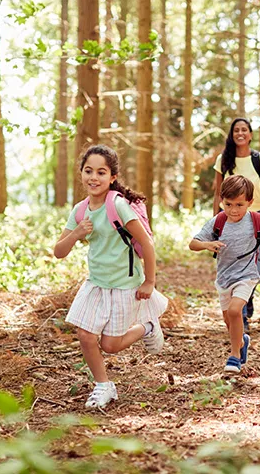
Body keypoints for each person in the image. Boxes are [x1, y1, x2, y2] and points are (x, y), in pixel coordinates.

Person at [54, 145, 167, 409]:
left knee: (111, 345)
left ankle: (148, 325)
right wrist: (77, 233)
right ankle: (103, 385)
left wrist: (149, 281)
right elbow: (59, 251)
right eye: (88, 171)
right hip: (95, 283)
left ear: (112, 177)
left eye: (101, 172)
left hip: (124, 285)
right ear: (81, 173)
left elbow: (146, 244)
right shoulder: (80, 210)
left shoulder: (117, 205)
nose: (94, 177)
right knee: (85, 335)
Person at [191, 175, 260, 374]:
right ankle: (241, 341)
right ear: (221, 201)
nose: (233, 210)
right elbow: (193, 243)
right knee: (229, 321)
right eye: (228, 204)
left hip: (247, 276)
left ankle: (234, 356)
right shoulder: (217, 222)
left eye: (239, 204)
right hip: (224, 279)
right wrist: (206, 244)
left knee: (236, 311)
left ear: (250, 203)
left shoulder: (256, 220)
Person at [213, 118, 260, 333]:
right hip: (229, 219)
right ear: (232, 135)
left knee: (254, 266)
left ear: (250, 134)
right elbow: (217, 193)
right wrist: (216, 222)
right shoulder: (223, 159)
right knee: (232, 265)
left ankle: (246, 300)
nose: (240, 133)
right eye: (236, 130)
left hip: (256, 217)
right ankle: (240, 316)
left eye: (244, 130)